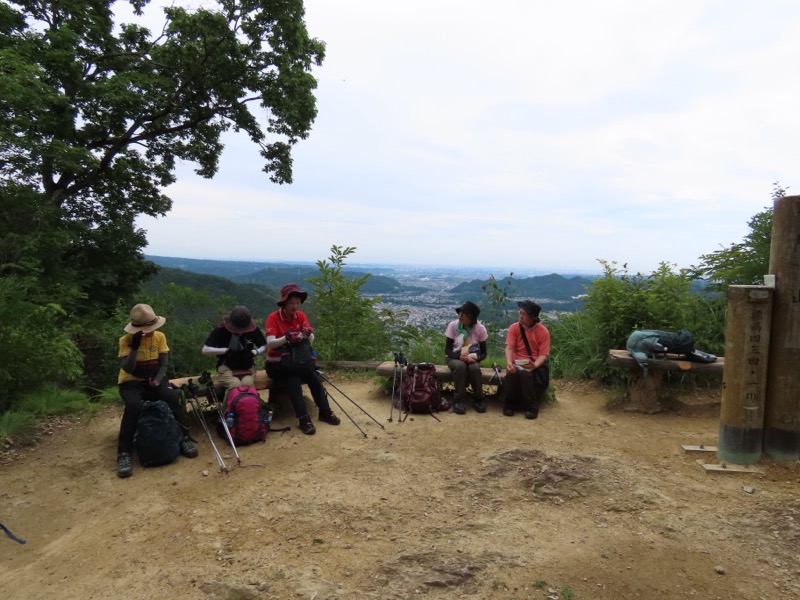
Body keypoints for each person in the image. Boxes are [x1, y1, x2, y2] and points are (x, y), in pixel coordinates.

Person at [116, 303, 197, 478]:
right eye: (148, 328)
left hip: (155, 379)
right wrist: (135, 348)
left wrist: (158, 380)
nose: (152, 331)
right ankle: (124, 453)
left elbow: (164, 363)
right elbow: (128, 369)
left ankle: (183, 437)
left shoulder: (160, 337)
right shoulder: (126, 341)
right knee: (133, 406)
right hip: (131, 383)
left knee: (170, 397)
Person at [264, 283, 340, 435]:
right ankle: (303, 418)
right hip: (278, 364)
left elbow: (310, 341)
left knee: (314, 377)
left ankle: (325, 412)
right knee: (293, 379)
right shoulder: (273, 318)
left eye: (297, 303)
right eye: (291, 303)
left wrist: (308, 333)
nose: (295, 306)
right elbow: (270, 343)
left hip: (298, 362)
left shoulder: (301, 316)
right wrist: (286, 338)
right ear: (284, 303)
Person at [504, 300, 551, 419]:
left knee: (525, 374)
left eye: (524, 314)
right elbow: (509, 348)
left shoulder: (543, 331)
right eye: (520, 313)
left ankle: (532, 406)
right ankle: (509, 404)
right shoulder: (514, 328)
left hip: (534, 363)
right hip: (517, 361)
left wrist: (535, 365)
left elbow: (543, 355)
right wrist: (509, 363)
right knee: (511, 373)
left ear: (532, 317)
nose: (521, 316)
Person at [202, 305, 267, 391]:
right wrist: (225, 351)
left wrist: (255, 352)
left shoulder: (253, 330)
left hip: (247, 366)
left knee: (247, 384)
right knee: (234, 385)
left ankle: (249, 403)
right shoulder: (221, 329)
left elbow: (264, 346)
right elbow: (205, 350)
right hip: (226, 365)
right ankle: (230, 404)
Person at [444, 301, 488, 414]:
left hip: (472, 358)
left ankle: (479, 398)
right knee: (460, 366)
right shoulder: (453, 325)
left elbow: (484, 353)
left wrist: (477, 358)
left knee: (474, 368)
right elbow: (447, 350)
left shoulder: (480, 329)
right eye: (460, 313)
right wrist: (459, 356)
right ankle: (458, 400)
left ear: (472, 318)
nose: (460, 316)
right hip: (454, 356)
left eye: (464, 314)